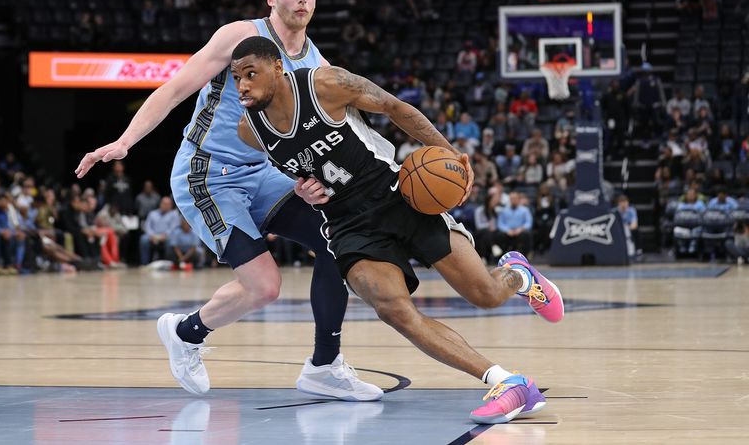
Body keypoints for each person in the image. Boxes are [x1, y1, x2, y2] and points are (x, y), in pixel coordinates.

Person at [74, 0, 380, 401]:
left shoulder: (316, 64)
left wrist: (310, 179)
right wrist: (126, 142)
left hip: (266, 175)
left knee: (340, 239)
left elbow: (315, 136)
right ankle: (186, 333)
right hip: (208, 175)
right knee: (265, 288)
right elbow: (176, 87)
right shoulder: (242, 36)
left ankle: (324, 366)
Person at [232, 36, 564, 424]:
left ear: (277, 68)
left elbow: (394, 107)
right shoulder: (249, 130)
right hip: (347, 224)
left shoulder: (325, 84)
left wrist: (451, 154)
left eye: (250, 74)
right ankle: (507, 382)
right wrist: (303, 191)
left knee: (487, 295)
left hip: (396, 196)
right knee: (393, 310)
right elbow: (305, 173)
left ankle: (519, 275)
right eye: (236, 77)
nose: (242, 86)